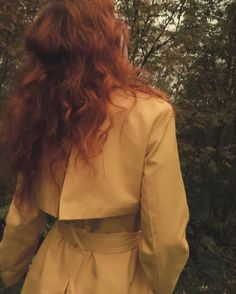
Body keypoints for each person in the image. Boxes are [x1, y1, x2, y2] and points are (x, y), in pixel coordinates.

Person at [0, 0, 190, 293]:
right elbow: (164, 236)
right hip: (120, 277)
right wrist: (161, 285)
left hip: (49, 273)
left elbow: (24, 213)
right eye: (115, 20)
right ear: (105, 41)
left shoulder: (41, 108)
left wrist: (8, 269)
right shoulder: (152, 114)